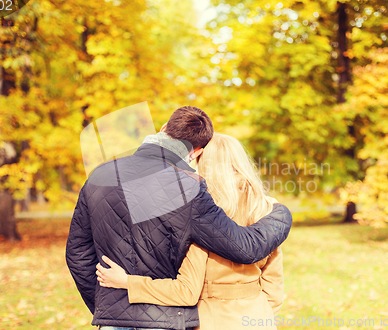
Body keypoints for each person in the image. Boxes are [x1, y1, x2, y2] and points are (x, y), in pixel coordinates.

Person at [66, 106, 292, 330]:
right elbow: (243, 248)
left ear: (163, 128)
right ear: (196, 152)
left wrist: (107, 306)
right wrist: (280, 214)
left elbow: (77, 254)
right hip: (164, 318)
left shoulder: (99, 175)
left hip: (113, 318)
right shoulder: (189, 188)